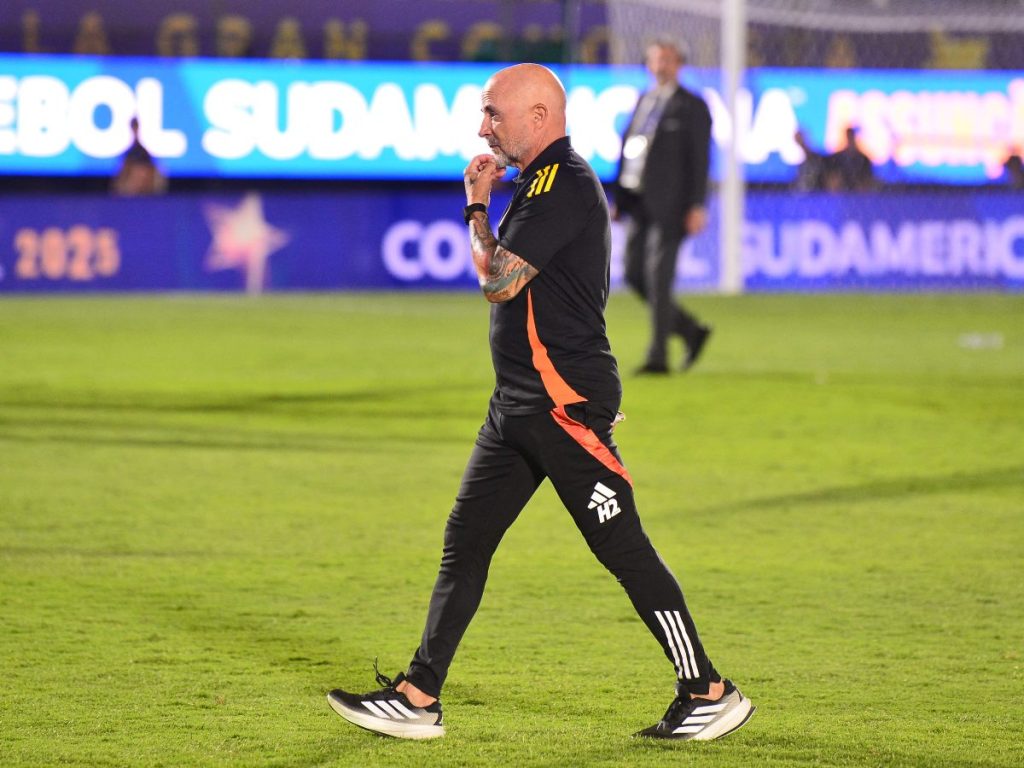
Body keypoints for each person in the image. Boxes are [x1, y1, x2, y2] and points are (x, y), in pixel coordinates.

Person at [327, 63, 754, 743]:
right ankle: (417, 696)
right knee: (465, 542)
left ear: (537, 116)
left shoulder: (563, 183)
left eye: (493, 114)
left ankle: (708, 689)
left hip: (561, 405)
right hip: (518, 406)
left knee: (622, 546)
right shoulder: (539, 181)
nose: (481, 127)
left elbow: (497, 282)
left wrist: (475, 205)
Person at [612, 39, 713, 375]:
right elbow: (630, 152)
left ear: (679, 64)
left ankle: (658, 357)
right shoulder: (645, 100)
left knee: (658, 279)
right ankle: (689, 330)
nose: (660, 66)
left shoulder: (692, 106)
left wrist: (697, 204)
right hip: (638, 202)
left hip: (672, 206)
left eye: (667, 60)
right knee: (633, 273)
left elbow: (700, 160)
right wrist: (620, 199)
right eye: (656, 59)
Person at [111, 117, 164, 196]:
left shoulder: (145, 154)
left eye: (143, 175)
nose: (140, 179)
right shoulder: (128, 156)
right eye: (137, 176)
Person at [826, 126, 876, 192]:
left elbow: (867, 180)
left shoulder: (864, 159)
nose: (850, 140)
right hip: (839, 195)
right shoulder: (836, 158)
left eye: (852, 137)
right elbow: (832, 179)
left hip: (859, 196)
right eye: (849, 137)